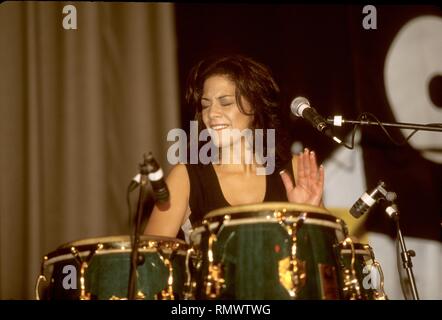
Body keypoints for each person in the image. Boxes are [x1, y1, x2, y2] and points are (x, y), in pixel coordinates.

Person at [144, 54, 324, 240]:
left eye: (225, 102)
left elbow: (336, 256)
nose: (212, 113)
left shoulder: (292, 170)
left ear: (254, 106)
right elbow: (149, 261)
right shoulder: (186, 178)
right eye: (205, 105)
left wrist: (311, 214)